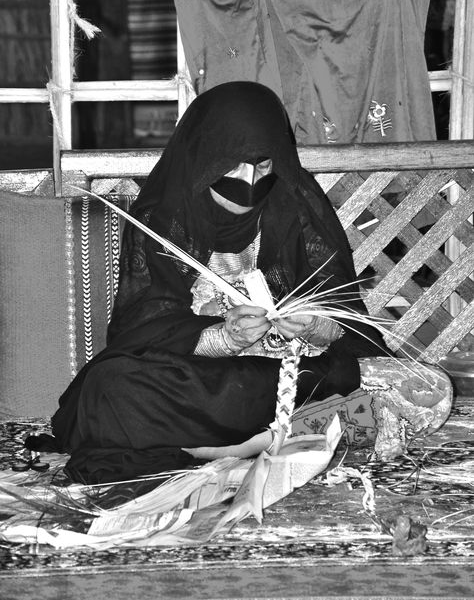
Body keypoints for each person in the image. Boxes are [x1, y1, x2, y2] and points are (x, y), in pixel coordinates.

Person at [44, 82, 442, 484]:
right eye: (232, 166)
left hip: (294, 373)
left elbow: (344, 315)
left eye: (263, 165)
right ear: (204, 158)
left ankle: (235, 445)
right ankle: (280, 439)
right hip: (205, 381)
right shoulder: (165, 215)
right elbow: (145, 326)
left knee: (429, 385)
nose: (249, 181)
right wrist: (224, 336)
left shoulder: (294, 205)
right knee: (113, 388)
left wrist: (317, 325)